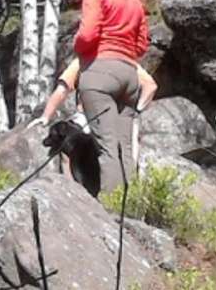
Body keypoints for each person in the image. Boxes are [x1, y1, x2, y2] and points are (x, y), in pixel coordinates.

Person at [30, 0, 152, 193]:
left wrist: (79, 47)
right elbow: (141, 45)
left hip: (100, 73)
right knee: (124, 148)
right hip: (129, 75)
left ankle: (110, 212)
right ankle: (131, 209)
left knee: (106, 147)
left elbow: (87, 35)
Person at [29, 55, 158, 190]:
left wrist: (46, 116)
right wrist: (137, 110)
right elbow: (151, 86)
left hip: (87, 115)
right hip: (121, 118)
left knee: (68, 147)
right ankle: (127, 190)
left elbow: (62, 90)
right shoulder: (127, 62)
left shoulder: (82, 61)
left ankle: (73, 191)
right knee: (127, 152)